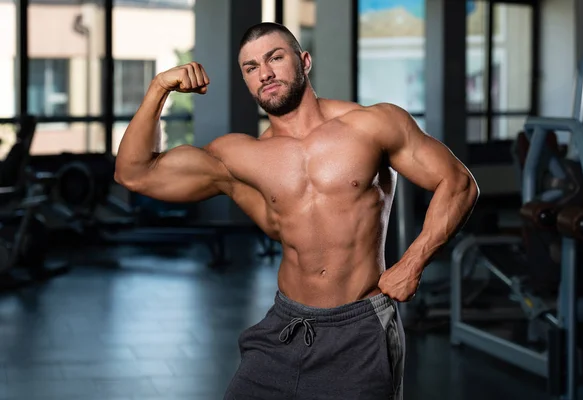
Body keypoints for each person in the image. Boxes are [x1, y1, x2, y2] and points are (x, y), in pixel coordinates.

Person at [114, 22, 479, 400]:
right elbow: (133, 173)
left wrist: (412, 263)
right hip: (285, 326)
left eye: (275, 58)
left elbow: (459, 183)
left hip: (359, 327)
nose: (265, 73)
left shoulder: (372, 124)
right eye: (251, 68)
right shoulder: (240, 156)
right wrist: (159, 88)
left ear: (304, 61)